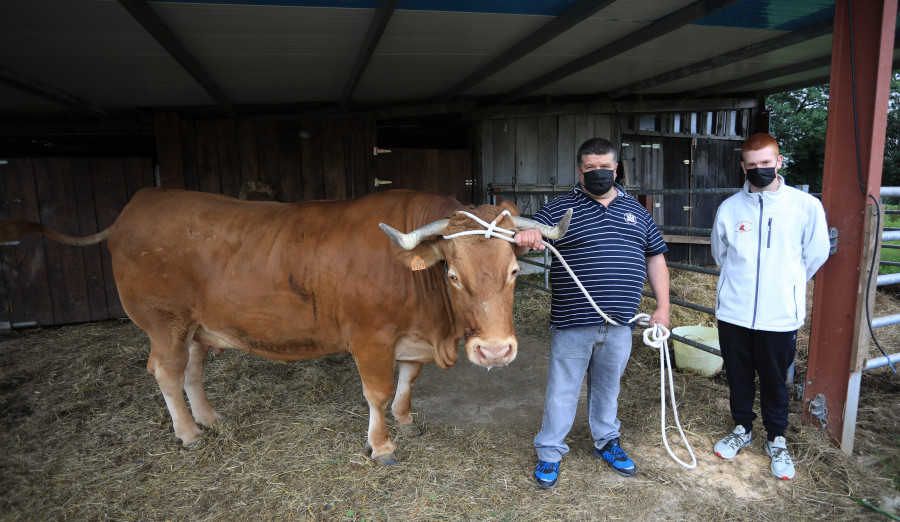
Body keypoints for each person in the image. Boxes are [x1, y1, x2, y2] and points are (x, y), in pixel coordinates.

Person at [514, 137, 670, 489]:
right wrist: (527, 238)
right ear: (579, 169)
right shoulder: (558, 209)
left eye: (605, 167)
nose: (598, 173)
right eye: (590, 168)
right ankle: (550, 453)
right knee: (563, 390)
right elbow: (524, 238)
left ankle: (607, 442)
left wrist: (663, 306)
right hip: (573, 321)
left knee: (608, 388)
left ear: (616, 168)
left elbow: (655, 257)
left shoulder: (638, 212)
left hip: (620, 323)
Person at [710, 132, 830, 480]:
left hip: (780, 314)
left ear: (779, 162)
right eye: (752, 165)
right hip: (734, 311)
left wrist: (787, 283)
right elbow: (721, 255)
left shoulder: (804, 206)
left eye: (766, 163)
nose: (759, 169)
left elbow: (816, 253)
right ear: (743, 167)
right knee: (738, 374)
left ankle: (776, 438)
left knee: (776, 380)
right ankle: (742, 429)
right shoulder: (730, 208)